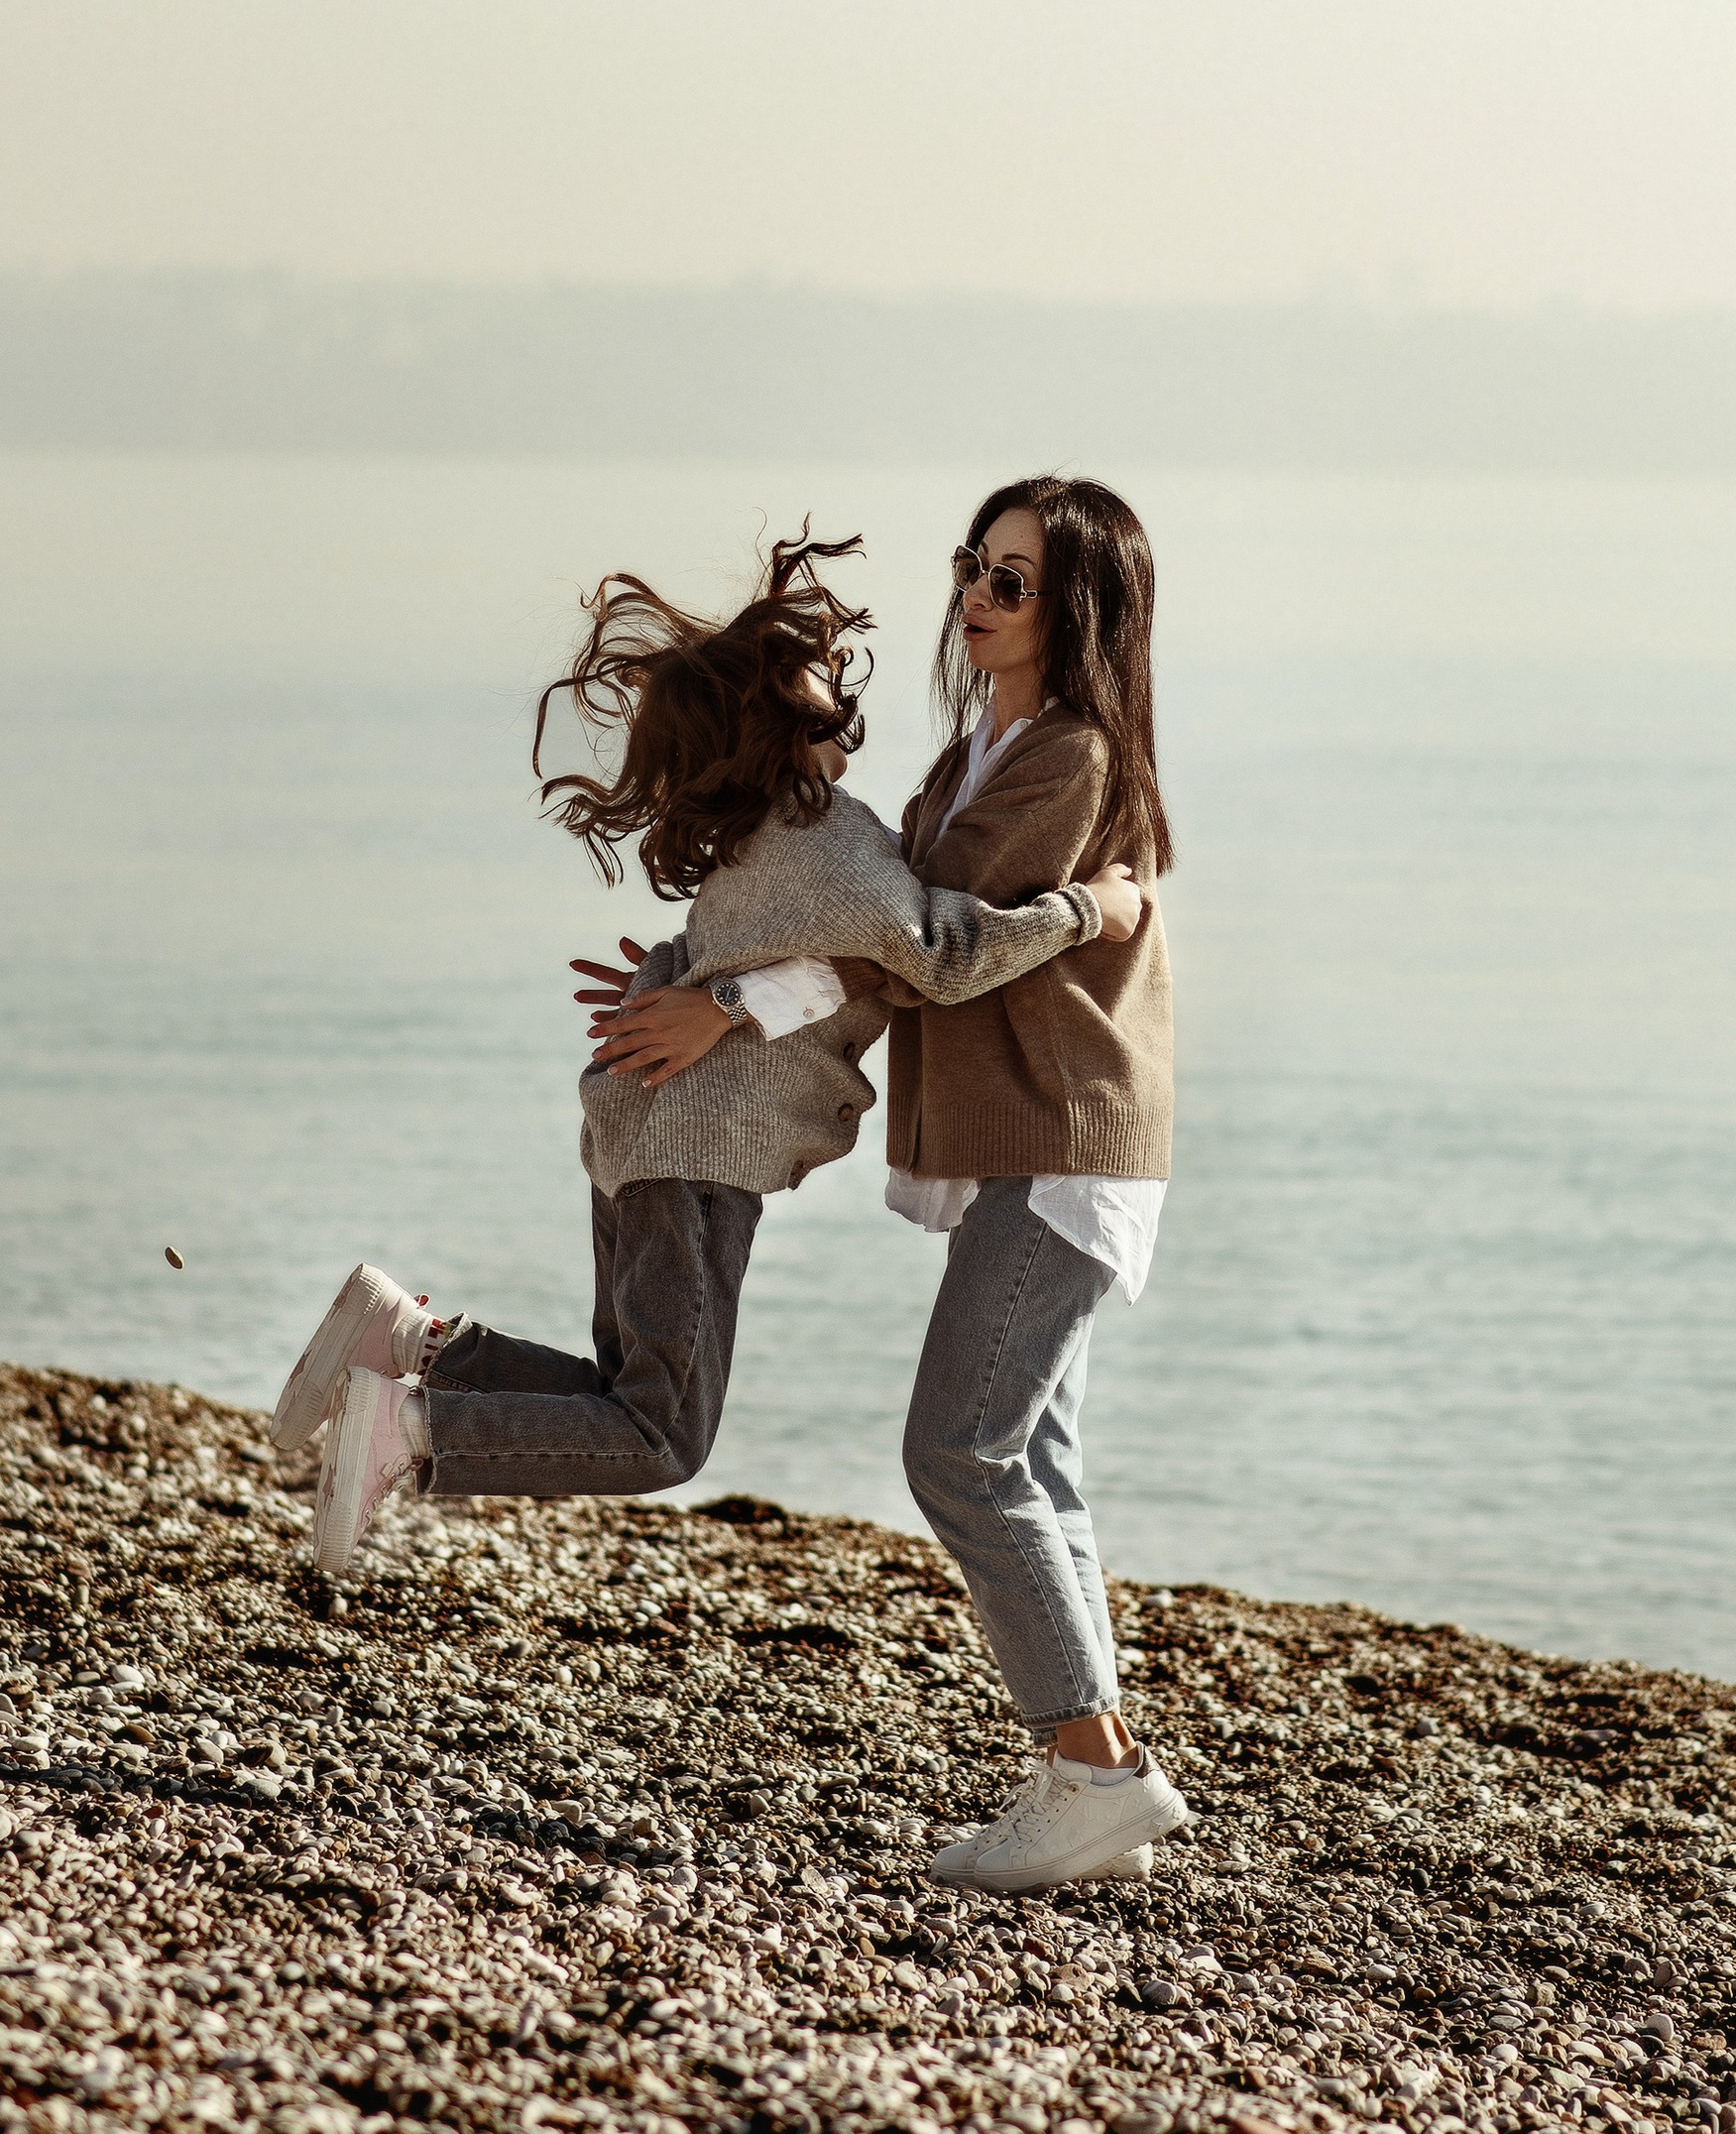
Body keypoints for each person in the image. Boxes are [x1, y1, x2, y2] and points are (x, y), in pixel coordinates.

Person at [272, 531, 1143, 1576]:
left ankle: (412, 1342)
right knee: (661, 1436)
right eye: (828, 704)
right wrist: (1085, 911)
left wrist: (689, 986)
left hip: (646, 1133)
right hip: (698, 1155)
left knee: (621, 1390)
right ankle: (411, 1428)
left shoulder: (762, 838)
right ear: (777, 732)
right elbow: (946, 956)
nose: (851, 716)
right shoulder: (833, 845)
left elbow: (742, 947)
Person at [881, 476, 1190, 1892]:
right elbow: (910, 890)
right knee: (1038, 1460)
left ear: (1078, 609)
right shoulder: (980, 743)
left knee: (961, 1445)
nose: (980, 597)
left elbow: (926, 916)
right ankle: (1097, 1782)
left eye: (1015, 581)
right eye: (975, 567)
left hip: (1070, 1135)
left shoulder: (1067, 751)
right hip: (1038, 1133)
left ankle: (1095, 1772)